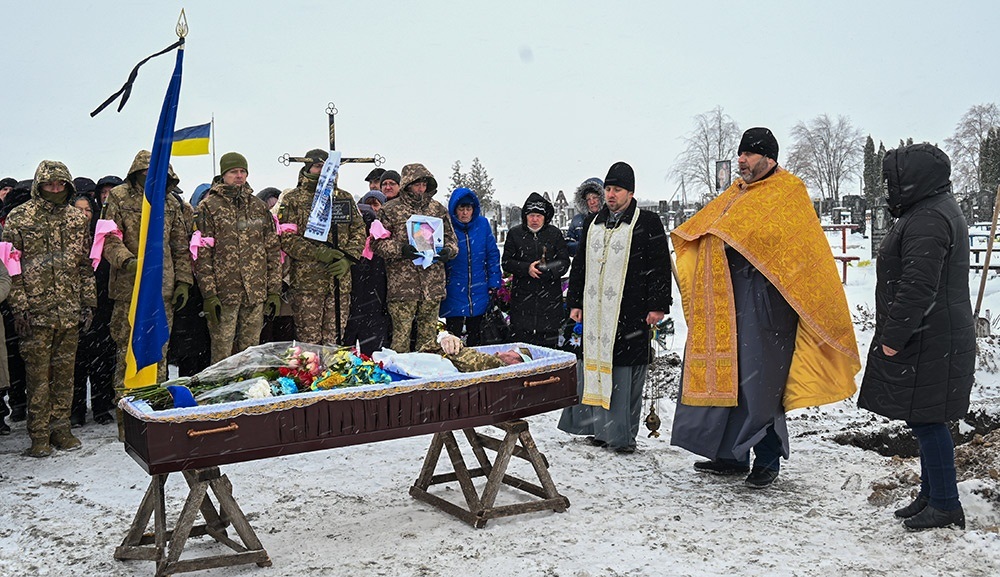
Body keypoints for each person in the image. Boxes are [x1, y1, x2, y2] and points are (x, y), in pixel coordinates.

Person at [670, 128, 859, 487]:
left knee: (763, 385)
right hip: (729, 302)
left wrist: (746, 244)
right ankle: (731, 455)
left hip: (771, 304)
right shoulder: (737, 193)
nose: (741, 160)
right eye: (740, 153)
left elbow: (801, 250)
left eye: (749, 154)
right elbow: (708, 230)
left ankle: (768, 461)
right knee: (732, 379)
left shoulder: (788, 193)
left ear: (769, 158)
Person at [858, 143, 975, 530]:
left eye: (892, 180)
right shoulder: (932, 208)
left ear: (913, 179)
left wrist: (894, 336)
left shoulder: (928, 218)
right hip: (936, 334)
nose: (889, 188)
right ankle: (932, 494)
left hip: (931, 337)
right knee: (925, 417)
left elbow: (917, 286)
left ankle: (945, 504)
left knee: (928, 421)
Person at [562, 162, 670, 454]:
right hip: (596, 313)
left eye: (617, 189)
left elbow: (659, 267)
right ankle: (597, 429)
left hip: (631, 312)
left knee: (623, 374)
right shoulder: (593, 222)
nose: (610, 194)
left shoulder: (647, 222)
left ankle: (621, 436)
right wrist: (575, 302)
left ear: (630, 193)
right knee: (595, 368)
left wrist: (657, 305)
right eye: (608, 189)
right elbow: (580, 264)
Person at [2, 160, 96, 457]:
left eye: (60, 184)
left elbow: (84, 265)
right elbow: (10, 266)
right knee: (38, 378)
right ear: (38, 185)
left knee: (65, 375)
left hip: (69, 309)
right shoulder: (20, 217)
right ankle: (39, 434)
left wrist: (88, 303)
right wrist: (20, 307)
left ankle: (61, 429)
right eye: (49, 184)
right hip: (35, 312)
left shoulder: (77, 219)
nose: (55, 189)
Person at [102, 151, 193, 404]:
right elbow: (109, 238)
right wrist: (129, 262)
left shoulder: (170, 202)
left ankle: (156, 409)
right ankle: (128, 412)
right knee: (129, 352)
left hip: (163, 290)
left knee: (159, 351)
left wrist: (183, 281)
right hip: (130, 289)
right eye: (145, 171)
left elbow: (180, 245)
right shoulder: (118, 197)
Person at [196, 152, 282, 363]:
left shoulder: (258, 207)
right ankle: (221, 384)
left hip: (255, 291)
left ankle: (249, 384)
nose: (239, 176)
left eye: (243, 171)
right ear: (223, 174)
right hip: (225, 292)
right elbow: (202, 254)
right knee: (222, 353)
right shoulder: (209, 207)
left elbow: (272, 250)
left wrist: (274, 291)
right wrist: (209, 294)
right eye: (234, 171)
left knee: (250, 352)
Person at [277, 149, 366, 346]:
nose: (324, 171)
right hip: (307, 283)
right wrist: (317, 253)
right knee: (309, 343)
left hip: (339, 282)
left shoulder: (344, 198)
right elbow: (287, 238)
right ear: (308, 168)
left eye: (328, 167)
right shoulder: (293, 199)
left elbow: (359, 231)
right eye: (318, 166)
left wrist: (348, 259)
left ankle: (332, 367)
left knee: (334, 340)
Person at [371, 163, 457, 352]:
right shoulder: (390, 210)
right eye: (417, 184)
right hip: (403, 286)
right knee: (401, 340)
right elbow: (376, 243)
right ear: (407, 184)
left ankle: (425, 370)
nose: (421, 189)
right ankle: (400, 370)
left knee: (427, 341)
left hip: (432, 285)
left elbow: (452, 240)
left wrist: (448, 251)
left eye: (424, 184)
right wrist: (401, 249)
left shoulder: (438, 209)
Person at [70, 193, 116, 427]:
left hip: (101, 307)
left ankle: (101, 407)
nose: (83, 215)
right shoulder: (65, 237)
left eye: (87, 210)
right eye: (78, 210)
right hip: (72, 307)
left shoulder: (101, 237)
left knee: (101, 361)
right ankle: (76, 411)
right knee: (76, 364)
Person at [502, 192, 568, 348]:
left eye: (539, 216)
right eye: (531, 215)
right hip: (523, 302)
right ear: (525, 216)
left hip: (549, 303)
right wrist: (527, 268)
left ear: (545, 217)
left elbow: (564, 262)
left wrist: (547, 269)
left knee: (549, 351)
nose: (535, 219)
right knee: (523, 351)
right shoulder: (515, 234)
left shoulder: (554, 234)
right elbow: (506, 262)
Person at [440, 187, 502, 346]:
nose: (465, 213)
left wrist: (494, 281)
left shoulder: (482, 225)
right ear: (454, 209)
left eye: (468, 209)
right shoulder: (447, 226)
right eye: (461, 209)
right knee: (453, 336)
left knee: (477, 335)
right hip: (454, 288)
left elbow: (492, 254)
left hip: (478, 287)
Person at [343, 190, 392, 355]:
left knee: (374, 355)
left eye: (375, 204)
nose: (372, 208)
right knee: (345, 355)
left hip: (375, 306)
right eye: (368, 204)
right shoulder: (350, 239)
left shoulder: (383, 238)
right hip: (351, 305)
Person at [565, 177, 603, 258]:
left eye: (595, 198)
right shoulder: (577, 220)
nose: (592, 202)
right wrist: (585, 246)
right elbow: (568, 245)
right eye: (588, 199)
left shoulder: (611, 218)